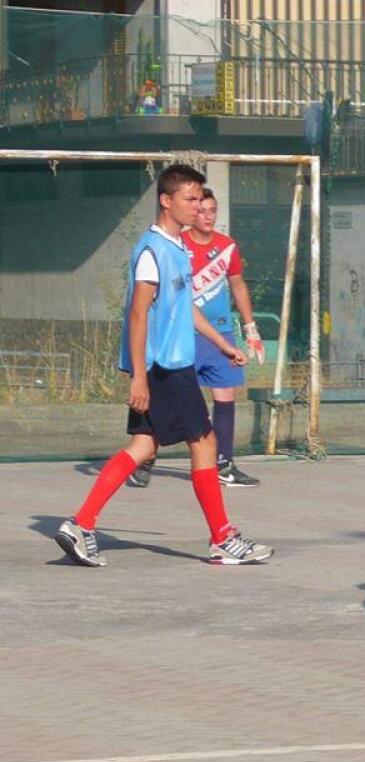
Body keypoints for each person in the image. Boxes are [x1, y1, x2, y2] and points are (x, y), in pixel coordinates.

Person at [54, 164, 274, 568]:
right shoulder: (153, 251)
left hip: (172, 365)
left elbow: (184, 308)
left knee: (143, 446)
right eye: (189, 200)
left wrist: (224, 344)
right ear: (166, 201)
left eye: (199, 199)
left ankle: (81, 524)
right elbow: (139, 315)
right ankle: (223, 538)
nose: (197, 207)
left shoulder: (176, 249)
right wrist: (139, 375)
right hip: (165, 368)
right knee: (205, 443)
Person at [127, 187, 264, 488]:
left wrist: (249, 328)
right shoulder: (173, 246)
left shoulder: (227, 247)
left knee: (224, 398)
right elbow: (147, 307)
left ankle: (224, 464)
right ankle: (145, 457)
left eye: (211, 210)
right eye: (198, 208)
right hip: (181, 337)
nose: (206, 216)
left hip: (218, 330)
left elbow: (238, 286)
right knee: (171, 405)